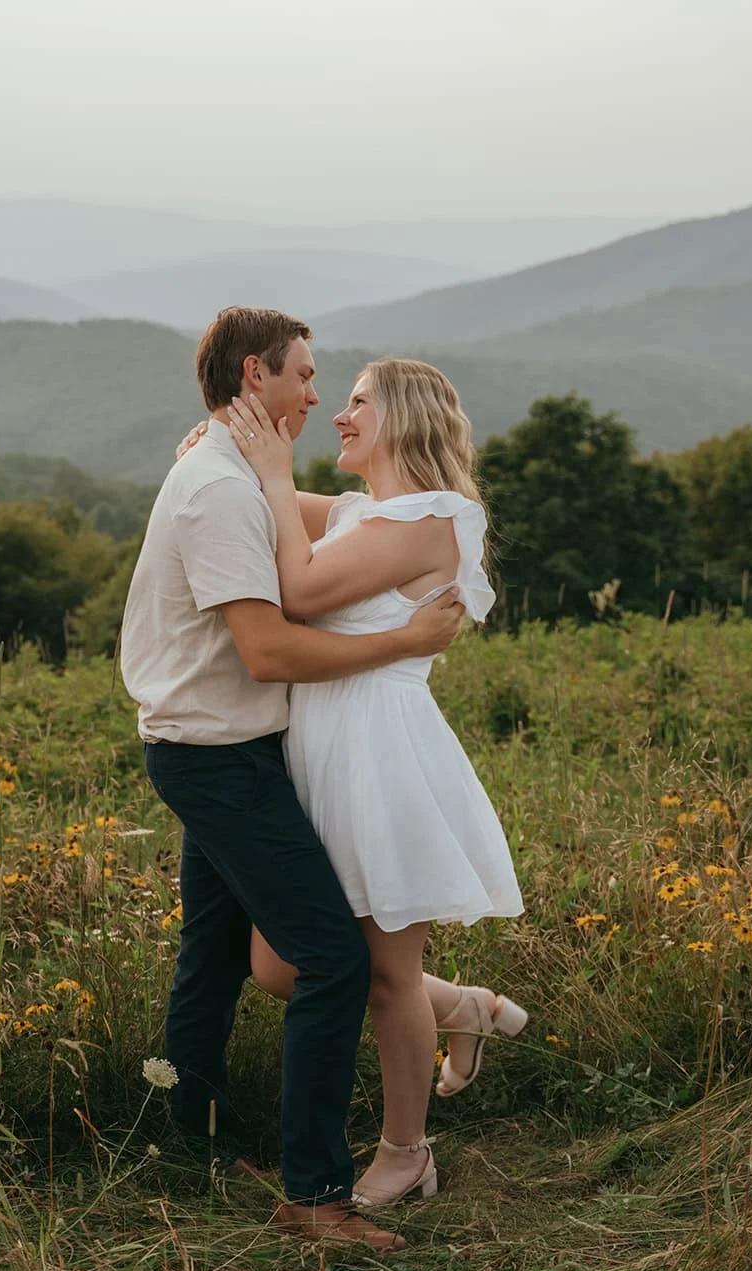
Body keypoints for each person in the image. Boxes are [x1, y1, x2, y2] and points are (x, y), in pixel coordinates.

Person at [119, 308, 466, 1251]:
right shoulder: (221, 491)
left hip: (234, 748)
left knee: (216, 952)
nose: (317, 395)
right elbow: (270, 647)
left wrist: (276, 475)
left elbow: (357, 521)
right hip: (220, 758)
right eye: (306, 377)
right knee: (331, 958)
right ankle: (316, 1196)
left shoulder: (237, 475)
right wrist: (403, 640)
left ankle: (189, 1138)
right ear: (252, 375)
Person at [211, 358, 528, 1208]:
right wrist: (219, 453)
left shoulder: (433, 518)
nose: (340, 415)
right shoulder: (366, 513)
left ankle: (406, 1151)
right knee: (283, 963)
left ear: (404, 419)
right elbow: (261, 506)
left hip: (379, 751)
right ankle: (461, 1006)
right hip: (324, 749)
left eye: (356, 402)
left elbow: (301, 589)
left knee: (385, 971)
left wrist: (275, 473)